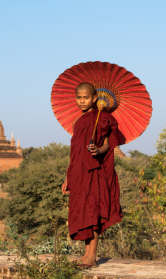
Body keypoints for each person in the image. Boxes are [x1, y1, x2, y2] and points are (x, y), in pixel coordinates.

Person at [62, 82, 123, 268]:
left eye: (86, 97)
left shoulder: (103, 118)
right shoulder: (78, 121)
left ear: (94, 98)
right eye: (79, 97)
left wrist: (98, 150)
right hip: (79, 173)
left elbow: (107, 144)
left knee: (93, 212)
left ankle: (92, 256)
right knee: (83, 212)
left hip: (94, 172)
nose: (82, 101)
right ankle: (86, 254)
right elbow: (75, 153)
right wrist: (68, 177)